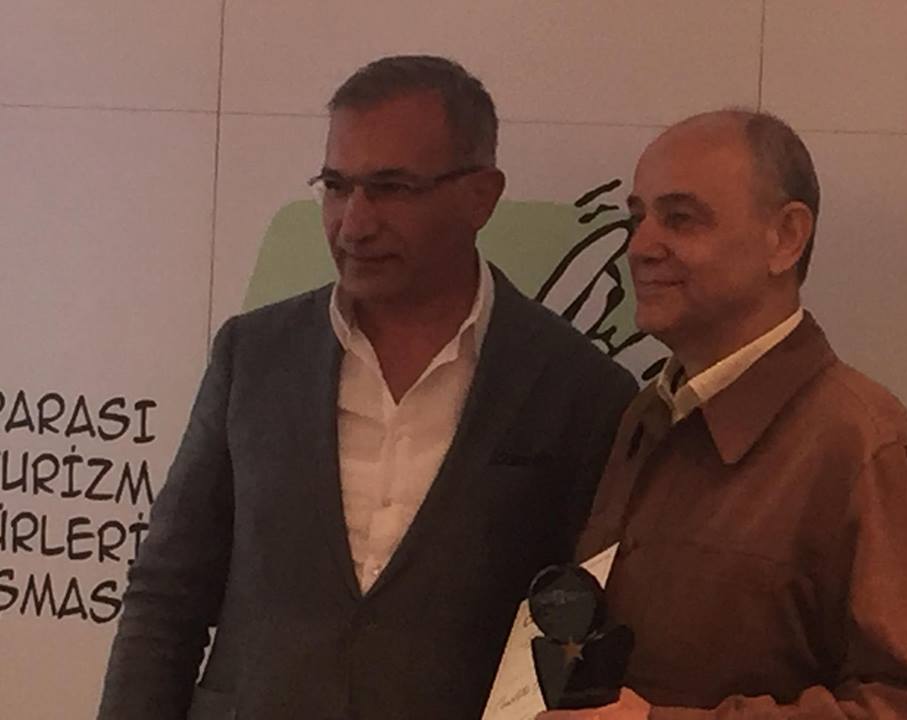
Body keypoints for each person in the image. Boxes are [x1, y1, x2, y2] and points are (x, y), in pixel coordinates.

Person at [97, 55, 637, 720]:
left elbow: (577, 640)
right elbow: (166, 597)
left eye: (391, 189)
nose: (353, 223)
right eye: (336, 186)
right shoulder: (254, 356)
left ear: (481, 196)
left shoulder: (580, 389)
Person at [541, 110, 907, 719]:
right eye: (637, 217)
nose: (640, 247)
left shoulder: (862, 444)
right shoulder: (646, 416)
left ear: (786, 238)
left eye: (680, 218)